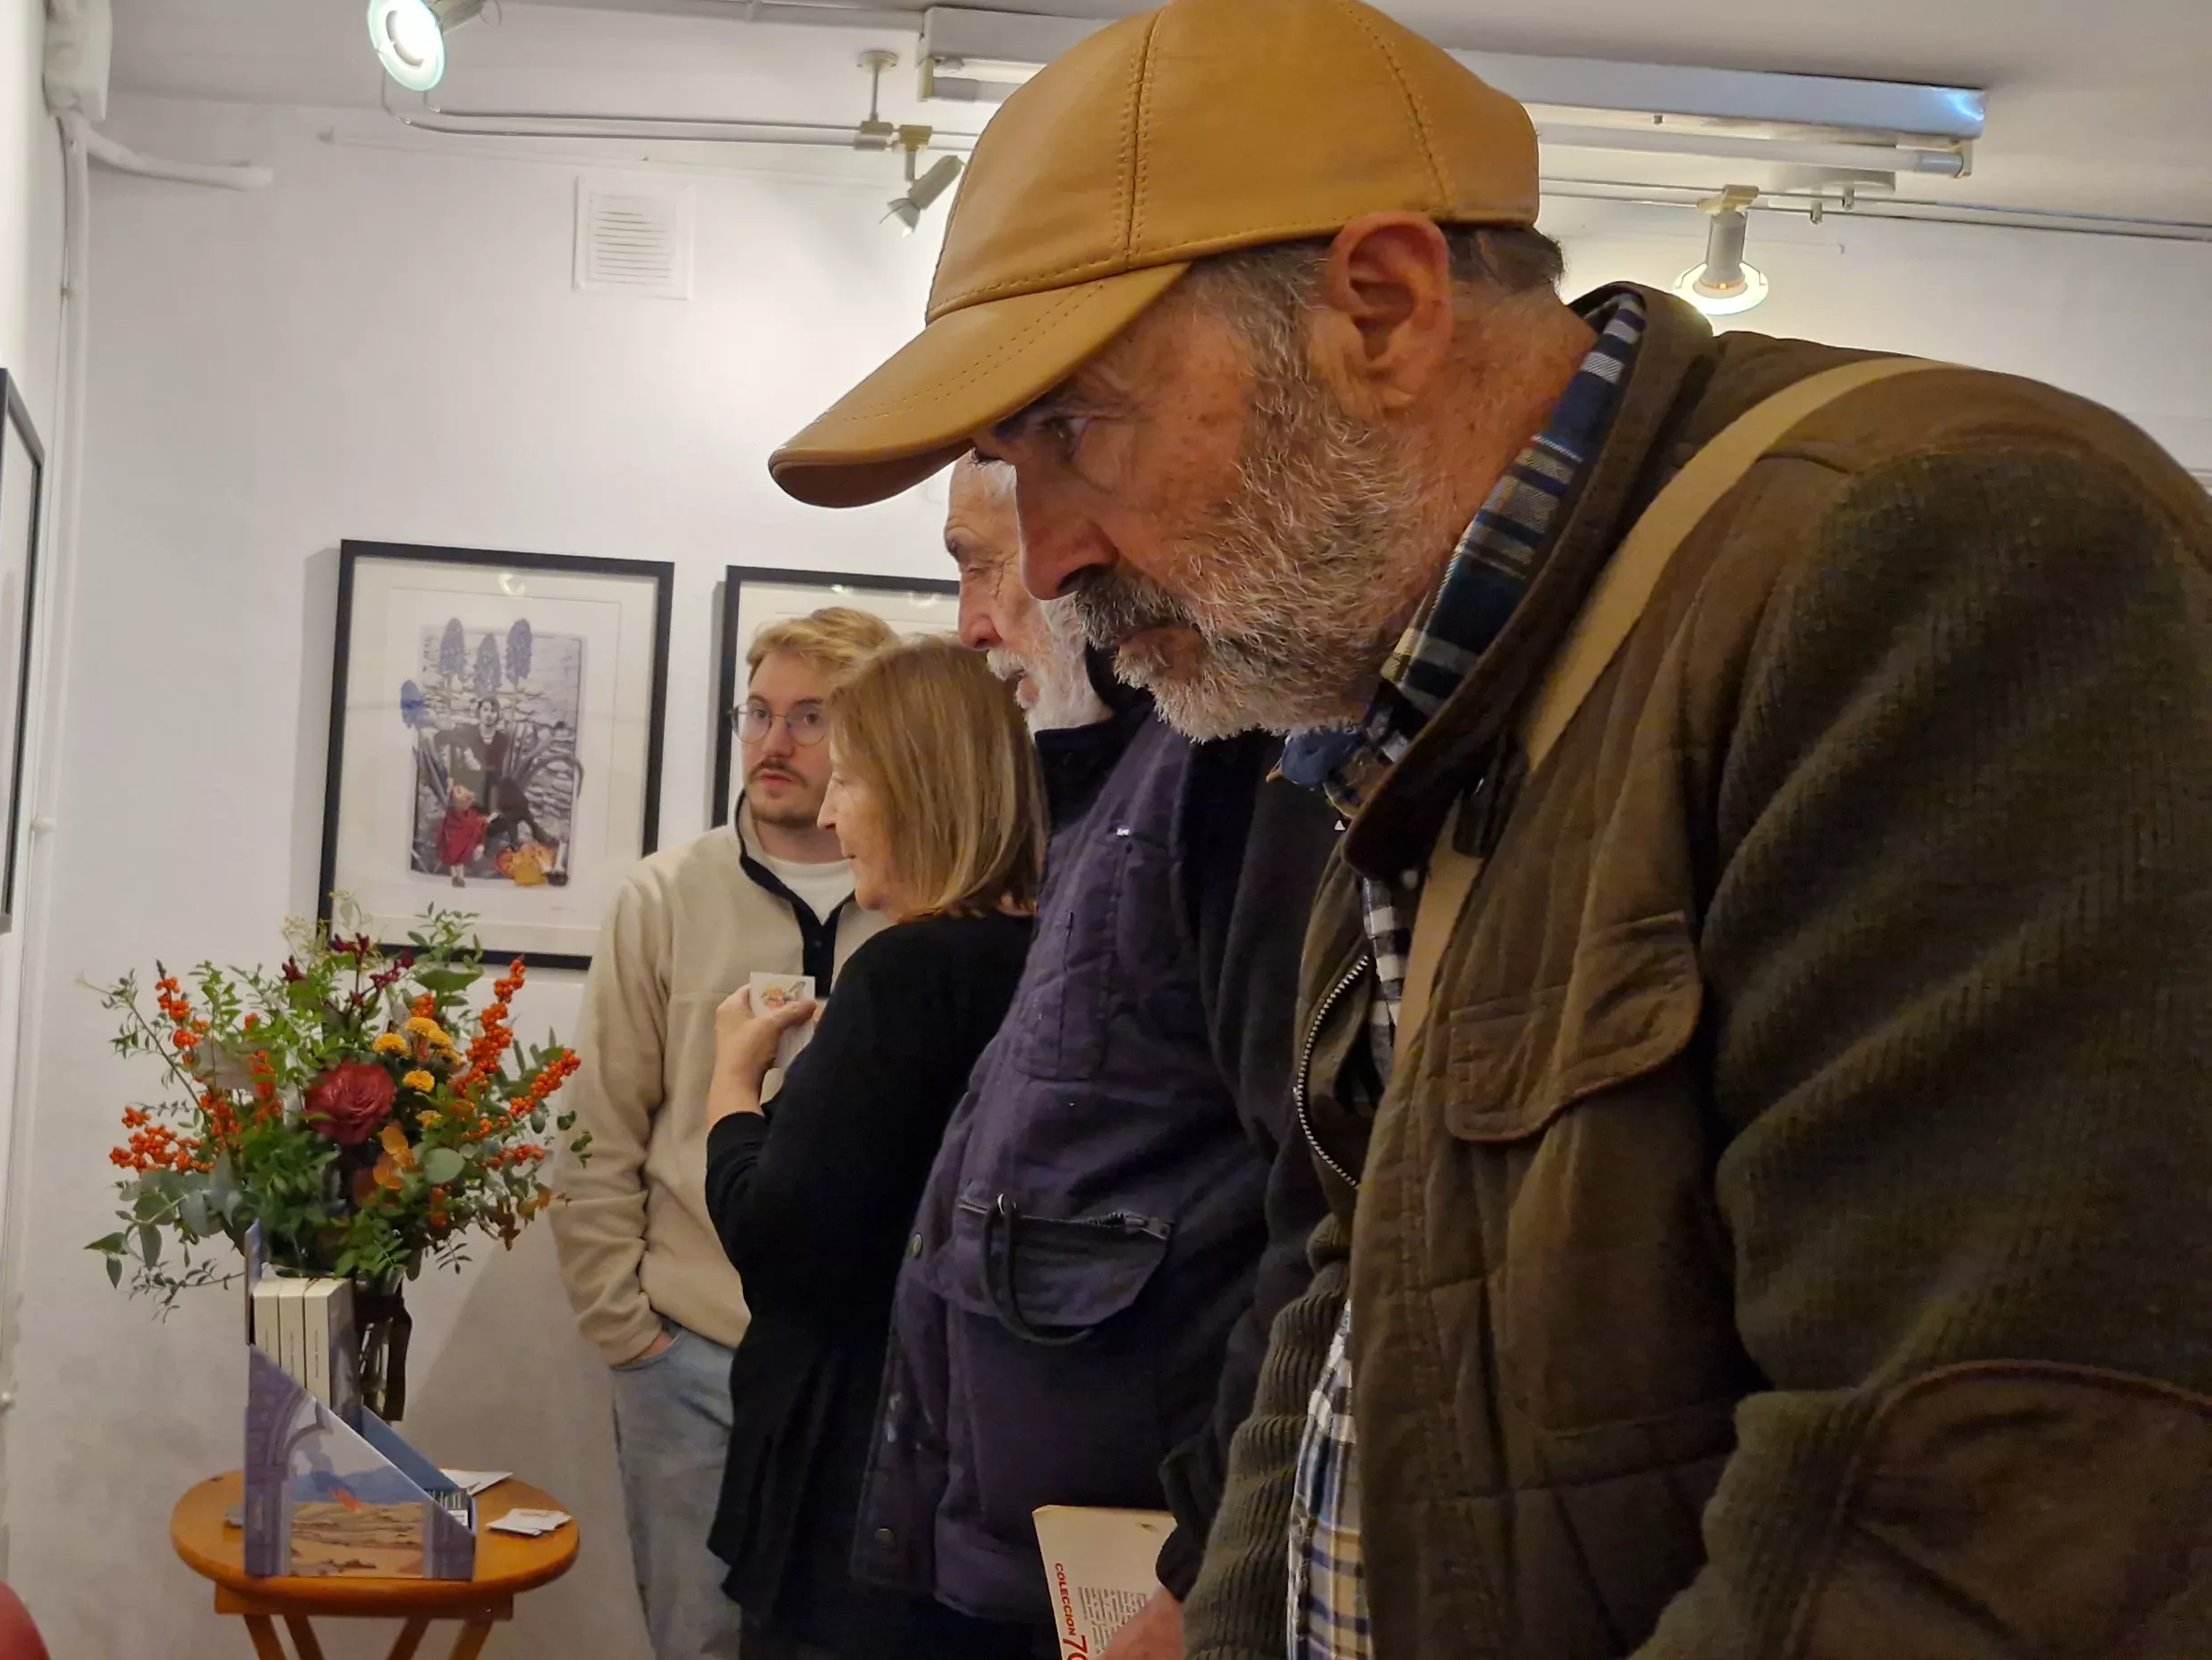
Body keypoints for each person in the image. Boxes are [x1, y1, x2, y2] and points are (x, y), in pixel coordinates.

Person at [769, 1, 2212, 1656]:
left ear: (1380, 309)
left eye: (1078, 429)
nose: (1054, 554)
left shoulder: (1946, 551)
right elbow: (1353, 1294)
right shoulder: (1426, 709)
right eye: (1009, 463)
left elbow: (1982, 1501)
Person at [818, 459, 1333, 1659]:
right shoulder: (1127, 788)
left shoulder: (1232, 771)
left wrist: (1205, 1564)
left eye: (983, 561)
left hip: (1129, 1584)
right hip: (1027, 1558)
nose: (979, 617)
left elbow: (1318, 1214)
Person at [550, 606, 902, 1660]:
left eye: (809, 718)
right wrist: (631, 1333)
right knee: (698, 1644)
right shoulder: (664, 896)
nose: (772, 743)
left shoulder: (929, 900)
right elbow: (599, 1128)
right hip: (692, 1355)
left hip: (865, 1370)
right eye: (757, 713)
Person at [697, 635, 1044, 1660]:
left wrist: (731, 1088)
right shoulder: (1050, 957)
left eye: (849, 776)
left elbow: (782, 1241)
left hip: (857, 1485)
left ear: (921, 787)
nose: (835, 812)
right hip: (978, 1480)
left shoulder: (908, 974)